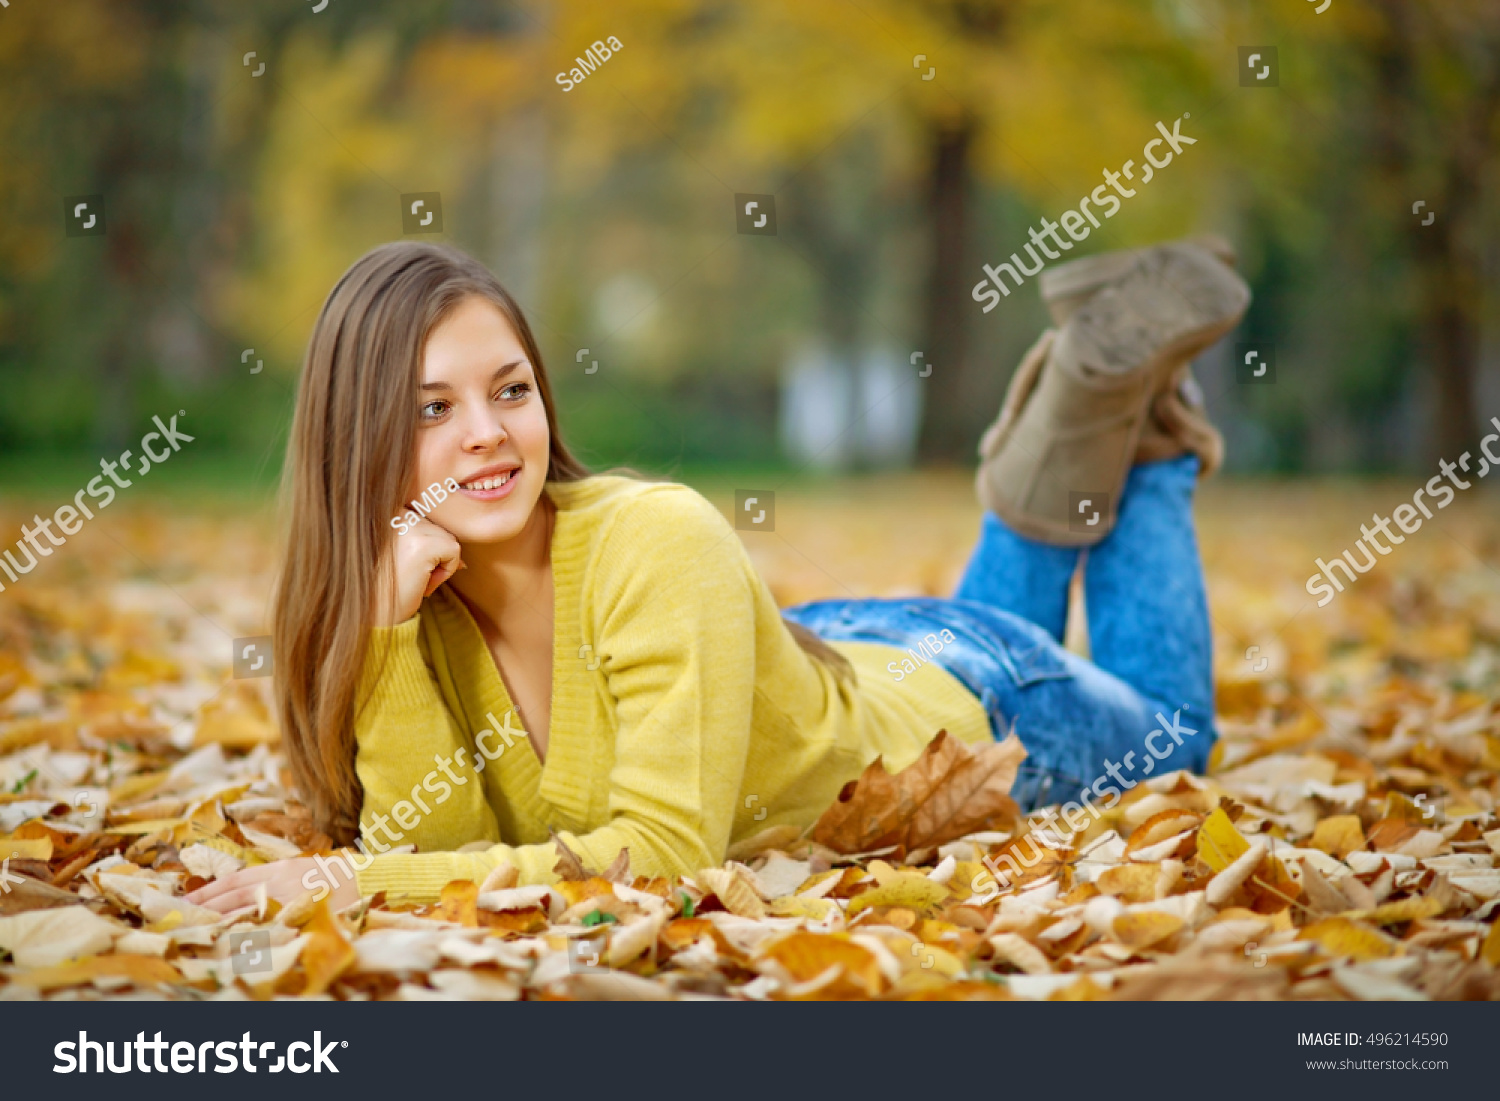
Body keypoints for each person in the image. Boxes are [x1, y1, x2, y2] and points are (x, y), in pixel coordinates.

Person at [190, 237, 1248, 914]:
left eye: (510, 390)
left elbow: (658, 856)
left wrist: (345, 879)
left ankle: (1136, 422)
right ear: (355, 439)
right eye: (433, 409)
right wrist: (382, 642)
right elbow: (444, 852)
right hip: (817, 661)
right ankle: (1080, 389)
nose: (487, 434)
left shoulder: (657, 539)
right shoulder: (404, 609)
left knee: (1174, 735)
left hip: (962, 706)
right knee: (966, 629)